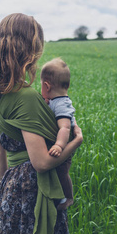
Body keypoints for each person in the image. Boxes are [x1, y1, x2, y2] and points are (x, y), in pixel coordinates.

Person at [0, 13, 83, 234]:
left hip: (10, 185)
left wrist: (7, 188)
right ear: (28, 51)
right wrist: (76, 141)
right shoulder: (28, 98)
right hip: (34, 191)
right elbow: (42, 162)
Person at [40, 58, 76, 210]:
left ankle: (67, 197)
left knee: (62, 171)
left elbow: (65, 128)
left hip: (65, 142)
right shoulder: (55, 100)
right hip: (60, 141)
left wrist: (59, 145)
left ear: (46, 86)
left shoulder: (61, 104)